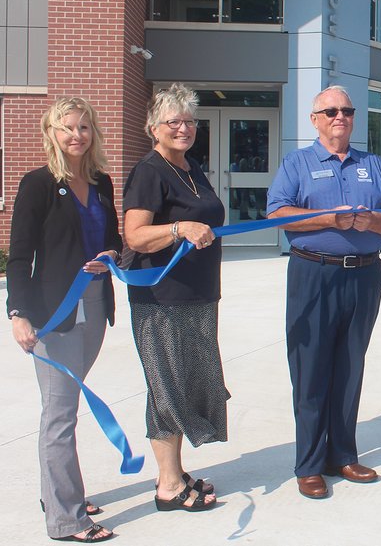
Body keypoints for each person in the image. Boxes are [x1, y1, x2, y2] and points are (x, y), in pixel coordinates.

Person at [266, 85, 381, 499]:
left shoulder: (372, 164)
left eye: (346, 110)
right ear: (315, 120)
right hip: (314, 275)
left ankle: (342, 454)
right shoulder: (298, 163)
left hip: (364, 276)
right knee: (311, 369)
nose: (339, 117)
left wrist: (372, 222)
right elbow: (277, 213)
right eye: (329, 112)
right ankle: (309, 464)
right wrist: (328, 218)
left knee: (349, 367)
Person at [7, 97, 121, 542]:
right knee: (59, 415)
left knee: (65, 408)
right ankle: (66, 519)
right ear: (51, 133)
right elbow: (19, 257)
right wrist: (18, 314)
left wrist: (112, 253)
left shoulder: (102, 182)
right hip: (54, 313)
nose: (77, 135)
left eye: (84, 127)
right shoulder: (37, 184)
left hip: (94, 305)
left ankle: (57, 494)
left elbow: (112, 238)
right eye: (67, 128)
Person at [123, 83, 226, 512]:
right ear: (154, 128)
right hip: (161, 301)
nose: (184, 128)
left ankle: (177, 471)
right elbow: (134, 235)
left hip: (197, 298)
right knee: (166, 388)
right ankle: (167, 485)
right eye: (174, 121)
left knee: (186, 385)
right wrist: (178, 228)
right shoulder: (150, 171)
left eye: (189, 121)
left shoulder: (189, 167)